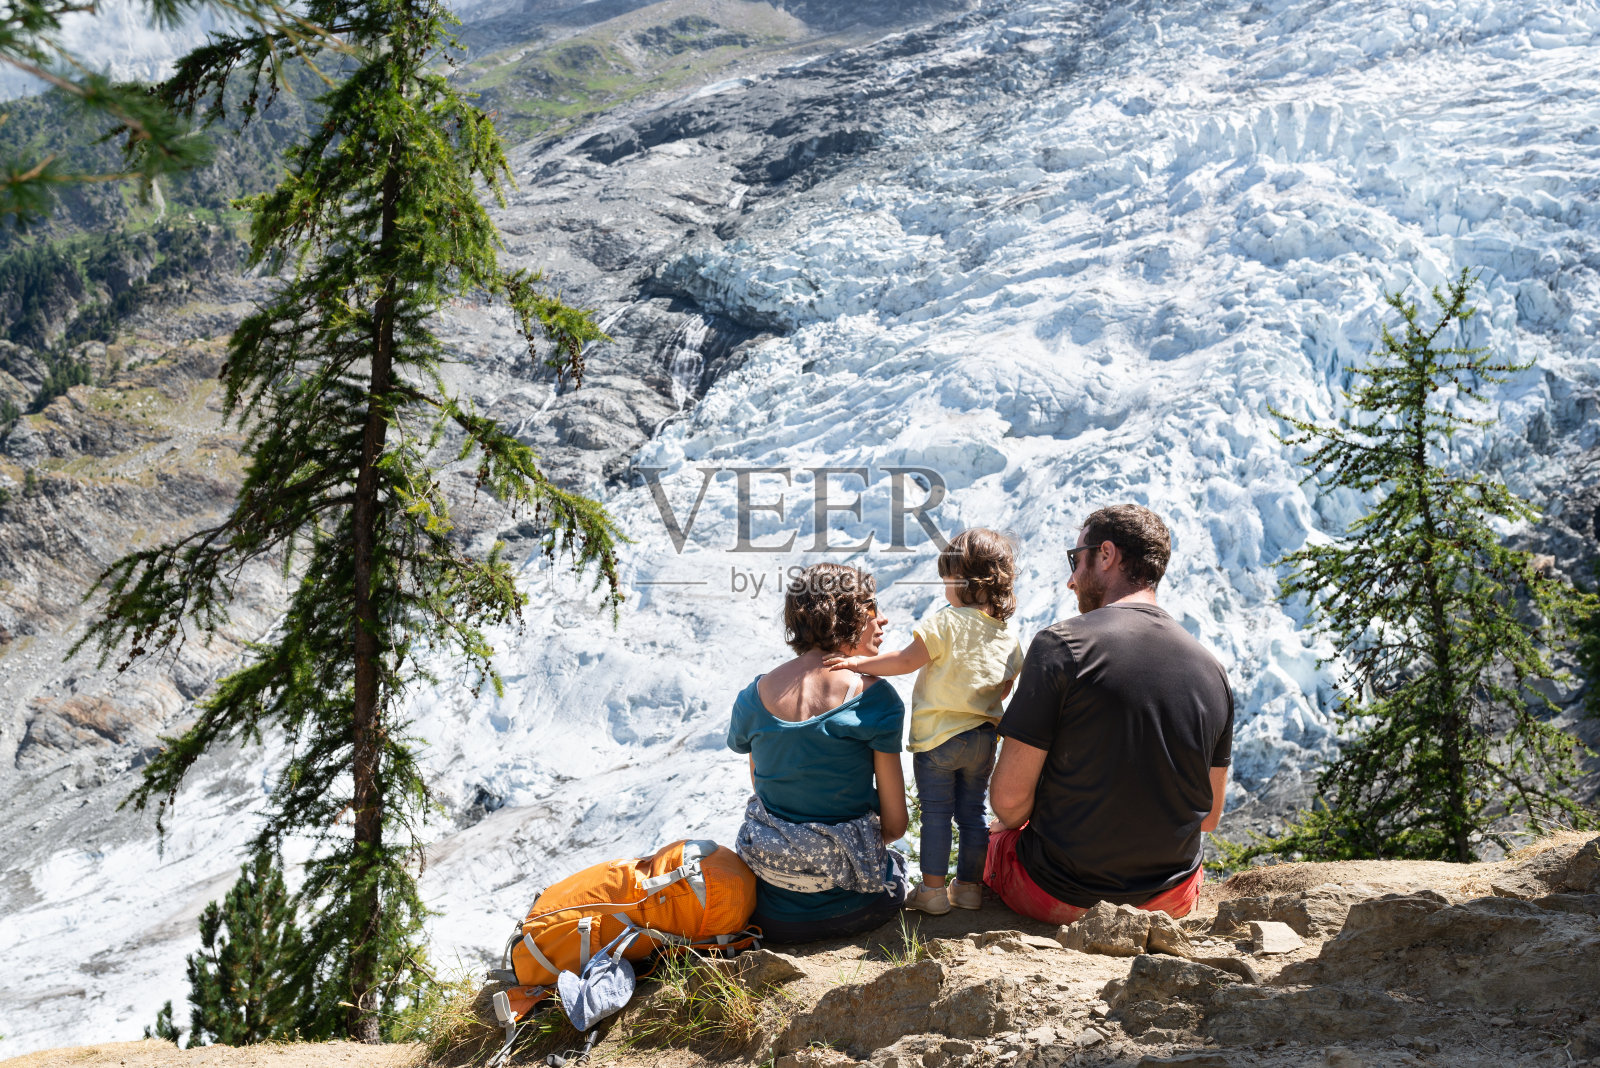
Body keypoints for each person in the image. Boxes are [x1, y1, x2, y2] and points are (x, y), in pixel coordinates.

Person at [985, 504, 1233, 924]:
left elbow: (1009, 803)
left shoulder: (1060, 646)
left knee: (997, 838)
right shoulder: (1212, 670)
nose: (1070, 579)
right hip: (1170, 900)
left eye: (1075, 559)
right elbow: (1208, 817)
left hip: (1060, 895)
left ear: (1106, 554)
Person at [825, 529, 1023, 915]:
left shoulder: (944, 623)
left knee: (936, 814)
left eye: (947, 578)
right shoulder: (1006, 635)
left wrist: (858, 663)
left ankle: (932, 892)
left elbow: (904, 661)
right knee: (973, 814)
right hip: (983, 739)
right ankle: (968, 888)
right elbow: (1003, 689)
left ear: (963, 581)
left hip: (939, 739)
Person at [727, 563, 911, 942]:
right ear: (847, 618)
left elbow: (765, 794)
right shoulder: (875, 699)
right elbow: (895, 826)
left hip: (775, 916)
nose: (883, 619)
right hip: (859, 909)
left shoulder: (753, 697)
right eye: (872, 608)